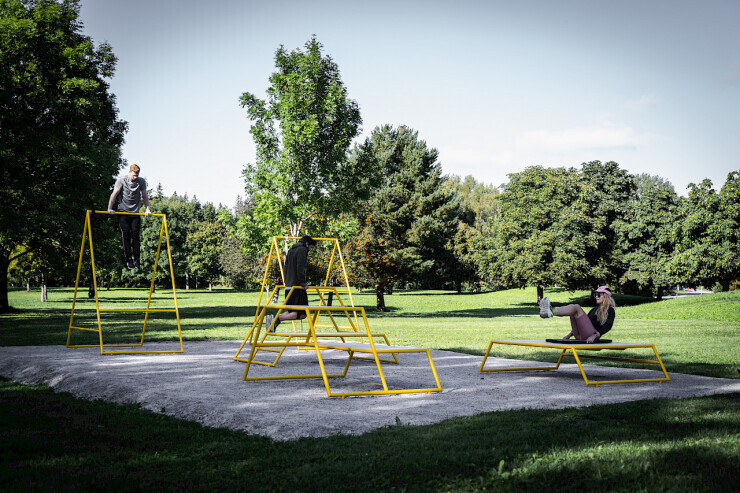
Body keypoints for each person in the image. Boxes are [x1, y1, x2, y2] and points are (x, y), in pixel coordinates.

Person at [265, 236, 317, 332]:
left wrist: (286, 280)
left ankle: (274, 319)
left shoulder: (291, 250)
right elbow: (300, 267)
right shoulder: (302, 250)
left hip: (289, 285)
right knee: (301, 313)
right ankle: (276, 319)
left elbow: (285, 267)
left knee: (296, 312)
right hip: (297, 287)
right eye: (311, 247)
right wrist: (302, 283)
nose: (310, 250)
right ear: (307, 244)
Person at [107, 164, 151, 269]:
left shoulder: (141, 181)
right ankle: (129, 260)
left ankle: (137, 260)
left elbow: (144, 196)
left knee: (135, 235)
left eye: (137, 175)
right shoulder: (122, 180)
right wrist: (109, 208)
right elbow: (114, 194)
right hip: (123, 212)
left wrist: (147, 209)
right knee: (126, 234)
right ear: (130, 172)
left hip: (135, 213)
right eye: (134, 175)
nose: (135, 177)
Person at [538, 286, 615, 343]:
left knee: (576, 307)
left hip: (592, 336)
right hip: (579, 335)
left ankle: (551, 311)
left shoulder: (610, 310)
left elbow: (608, 326)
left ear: (605, 297)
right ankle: (550, 312)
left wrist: (594, 335)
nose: (596, 297)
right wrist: (569, 335)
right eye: (596, 295)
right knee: (573, 311)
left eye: (599, 295)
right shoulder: (594, 309)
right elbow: (583, 324)